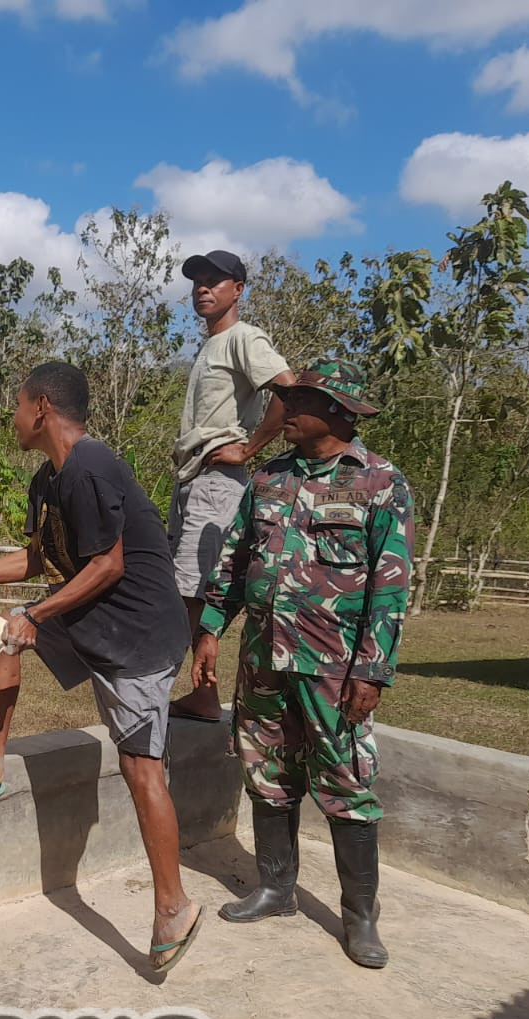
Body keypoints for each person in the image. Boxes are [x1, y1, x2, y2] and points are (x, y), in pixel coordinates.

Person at [0, 362, 204, 974]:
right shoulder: (48, 481)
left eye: (18, 403)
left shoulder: (92, 467)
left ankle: (173, 906)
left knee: (141, 769)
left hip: (136, 636)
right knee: (6, 639)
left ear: (43, 407)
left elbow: (107, 565)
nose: (12, 414)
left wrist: (37, 614)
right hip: (94, 618)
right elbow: (35, 558)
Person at [189, 359, 414, 969]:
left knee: (346, 782)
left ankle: (360, 918)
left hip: (333, 667)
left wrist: (372, 670)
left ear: (340, 412)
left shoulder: (379, 483)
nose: (287, 412)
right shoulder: (269, 479)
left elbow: (390, 588)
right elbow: (235, 562)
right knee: (266, 771)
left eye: (302, 402)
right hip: (263, 658)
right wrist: (210, 629)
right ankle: (276, 887)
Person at [168, 249, 298, 723]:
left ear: (238, 290)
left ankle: (184, 687)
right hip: (193, 478)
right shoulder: (210, 345)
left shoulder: (245, 337)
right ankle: (202, 692)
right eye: (197, 281)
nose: (203, 288)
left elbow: (288, 388)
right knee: (189, 587)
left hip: (218, 479)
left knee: (193, 590)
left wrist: (249, 448)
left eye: (215, 281)